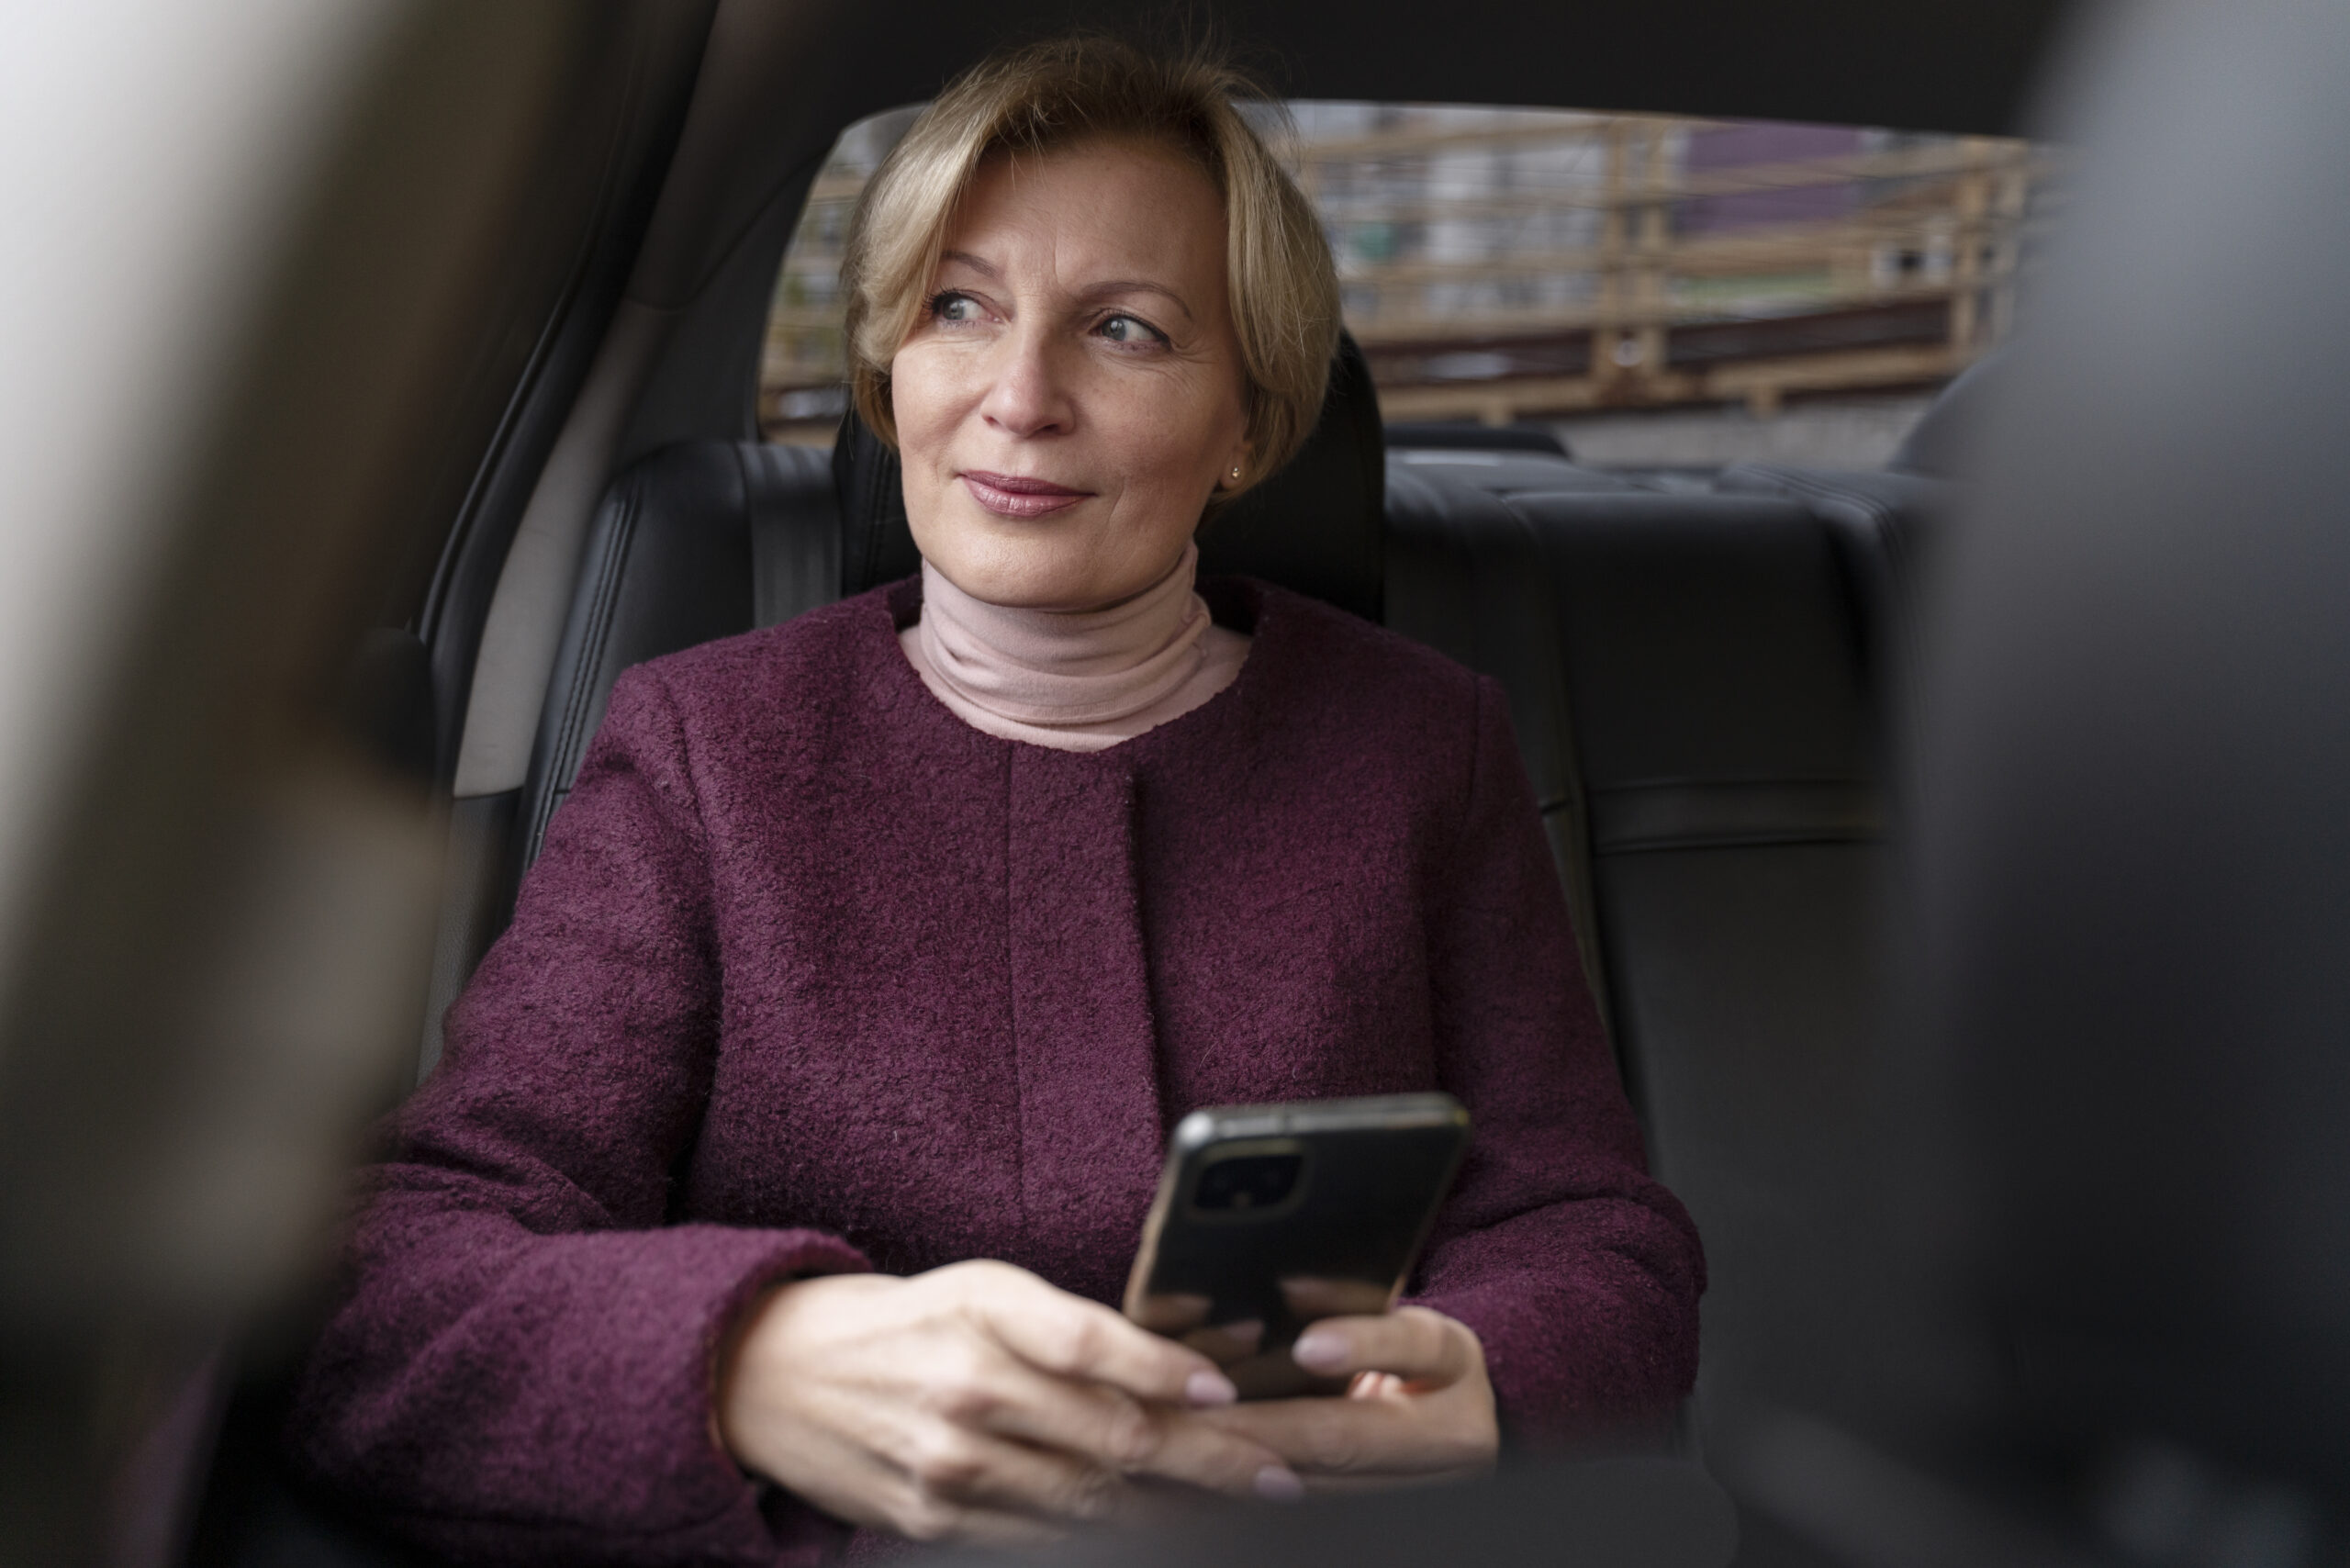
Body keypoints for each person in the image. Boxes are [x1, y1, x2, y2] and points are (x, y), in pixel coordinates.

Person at [290, 37, 1704, 1563]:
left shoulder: (1425, 748)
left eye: (1126, 330)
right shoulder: (708, 746)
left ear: (1247, 424)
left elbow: (1593, 1236)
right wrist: (745, 1362)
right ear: (892, 368)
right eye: (958, 308)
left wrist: (1482, 1382)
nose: (1020, 398)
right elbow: (396, 1274)